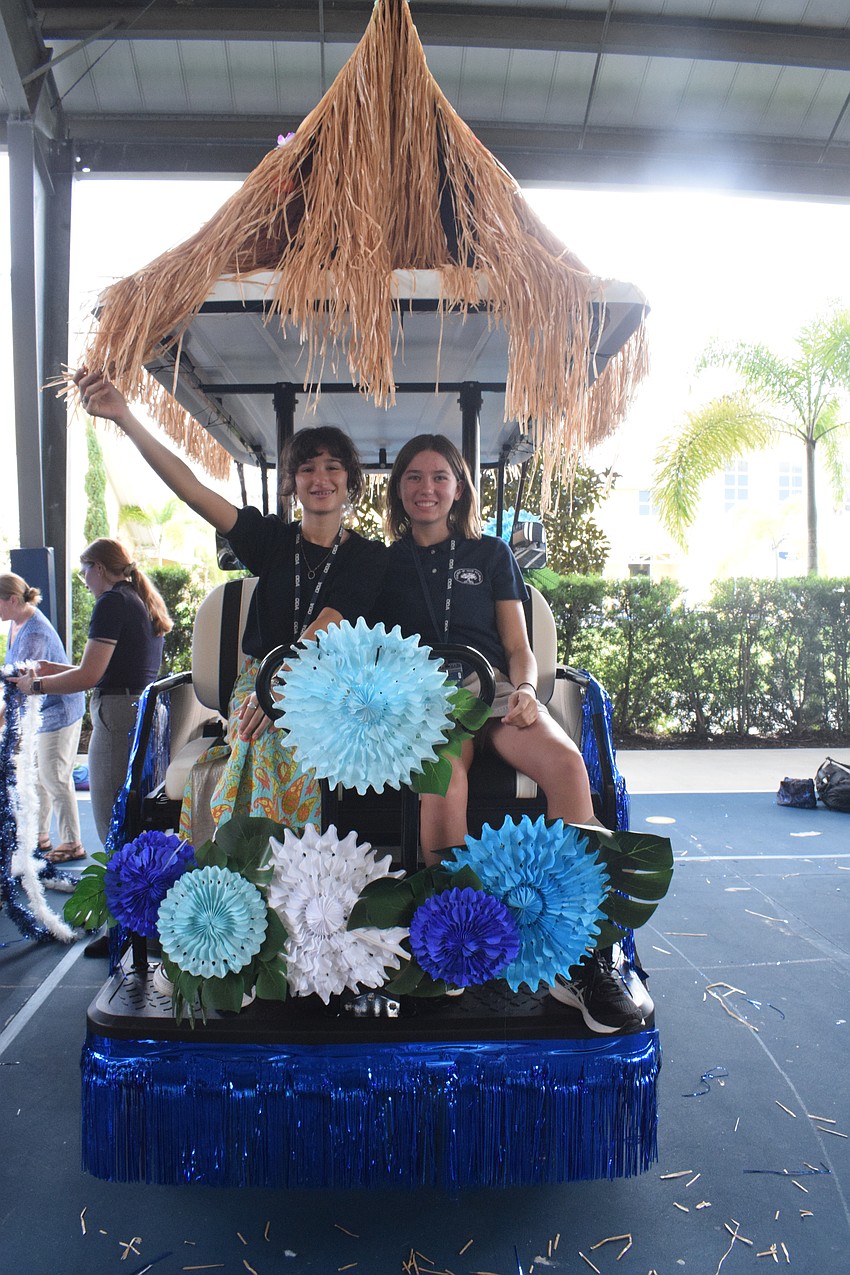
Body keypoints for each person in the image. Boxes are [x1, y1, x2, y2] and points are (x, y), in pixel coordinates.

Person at [376, 434, 645, 1032]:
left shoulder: (491, 554)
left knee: (567, 764)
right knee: (442, 777)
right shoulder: (385, 561)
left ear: (458, 486)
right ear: (398, 488)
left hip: (496, 691)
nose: (427, 488)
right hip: (424, 702)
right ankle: (448, 938)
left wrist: (525, 690)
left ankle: (579, 955)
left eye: (440, 476)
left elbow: (520, 649)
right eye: (414, 477)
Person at [72, 369, 387, 844]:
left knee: (288, 732)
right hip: (259, 677)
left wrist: (277, 683)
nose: (320, 478)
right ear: (292, 483)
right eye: (307, 468)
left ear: (350, 479)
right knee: (260, 735)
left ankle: (289, 873)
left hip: (329, 682)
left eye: (332, 466)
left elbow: (330, 621)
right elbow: (192, 491)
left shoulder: (369, 557)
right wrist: (126, 418)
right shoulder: (271, 540)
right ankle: (244, 874)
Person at [13, 541, 171, 848]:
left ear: (98, 568)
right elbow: (111, 668)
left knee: (110, 819)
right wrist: (53, 668)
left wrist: (35, 686)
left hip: (117, 713)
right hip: (137, 709)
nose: (84, 581)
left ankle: (119, 889)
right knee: (129, 816)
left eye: (85, 571)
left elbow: (90, 675)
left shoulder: (112, 602)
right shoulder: (136, 599)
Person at [0, 572, 86, 862]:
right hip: (44, 712)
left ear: (12, 600)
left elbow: (23, 687)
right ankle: (40, 834)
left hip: (59, 711)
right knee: (38, 775)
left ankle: (73, 842)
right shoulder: (16, 621)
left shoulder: (34, 632)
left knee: (54, 776)